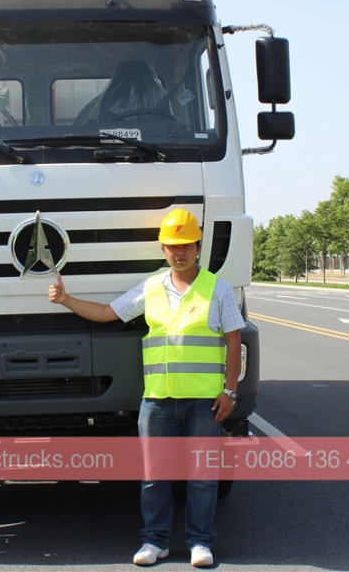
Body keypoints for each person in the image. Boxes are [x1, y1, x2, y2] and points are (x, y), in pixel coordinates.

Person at [48, 208, 244, 568]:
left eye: (186, 245)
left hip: (205, 401)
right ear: (163, 249)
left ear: (199, 246)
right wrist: (66, 300)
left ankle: (200, 542)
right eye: (172, 246)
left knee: (202, 478)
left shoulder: (218, 289)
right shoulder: (151, 287)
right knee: (154, 478)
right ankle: (155, 542)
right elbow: (109, 312)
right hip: (157, 401)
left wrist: (230, 392)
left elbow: (234, 341)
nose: (179, 252)